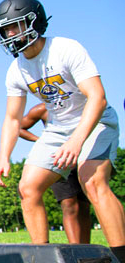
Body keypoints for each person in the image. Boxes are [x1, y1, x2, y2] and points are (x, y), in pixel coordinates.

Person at [0, 0, 124, 262]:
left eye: (15, 26)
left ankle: (123, 261)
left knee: (93, 181)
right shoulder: (16, 70)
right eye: (5, 29)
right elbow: (13, 118)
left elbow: (98, 97)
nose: (10, 34)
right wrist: (3, 157)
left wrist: (77, 141)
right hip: (58, 128)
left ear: (34, 22)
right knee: (28, 188)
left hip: (95, 119)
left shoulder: (66, 49)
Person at [20, 103, 92, 244]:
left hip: (83, 154)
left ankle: (85, 250)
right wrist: (40, 141)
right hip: (58, 157)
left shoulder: (83, 103)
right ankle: (75, 249)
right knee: (70, 203)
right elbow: (18, 127)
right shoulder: (42, 109)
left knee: (84, 205)